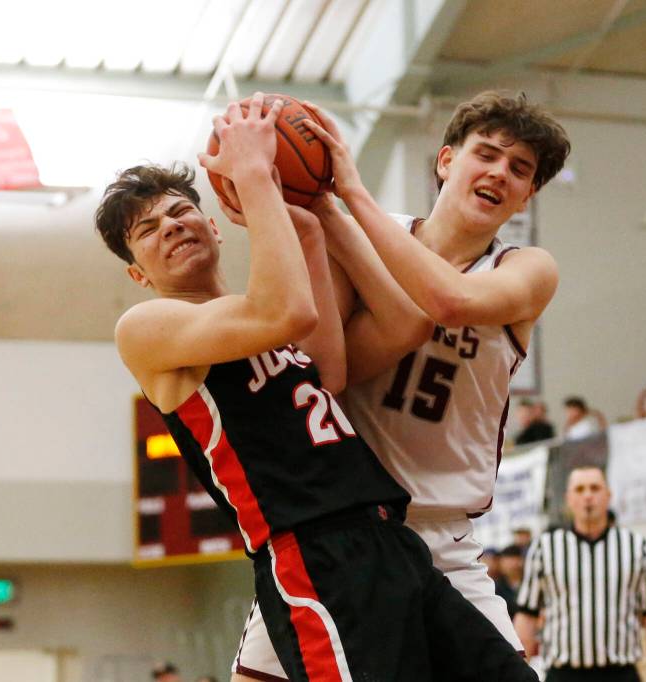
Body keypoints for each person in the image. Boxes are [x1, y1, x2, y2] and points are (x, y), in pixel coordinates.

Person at [96, 93, 535, 682]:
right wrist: (254, 173)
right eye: (148, 230)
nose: (171, 225)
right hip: (313, 554)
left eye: (180, 211)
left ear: (215, 225)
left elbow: (401, 326)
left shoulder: (253, 317)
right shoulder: (149, 328)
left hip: (388, 537)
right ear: (137, 274)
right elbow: (287, 311)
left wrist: (311, 214)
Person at [230, 90, 570, 681]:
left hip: (442, 537)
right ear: (445, 160)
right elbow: (327, 374)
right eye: (485, 154)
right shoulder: (357, 231)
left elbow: (451, 300)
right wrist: (299, 211)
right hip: (343, 530)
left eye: (520, 169)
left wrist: (347, 195)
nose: (499, 173)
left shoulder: (527, 269)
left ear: (528, 194)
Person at [514, 465, 646, 681]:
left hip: (620, 673)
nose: (588, 495)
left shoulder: (636, 547)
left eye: (595, 488)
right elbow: (527, 615)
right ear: (569, 498)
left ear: (608, 495)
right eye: (579, 489)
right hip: (564, 673)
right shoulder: (545, 548)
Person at [495, 544, 525, 619]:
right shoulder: (496, 587)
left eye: (514, 560)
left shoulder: (531, 584)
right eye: (506, 561)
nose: (512, 565)